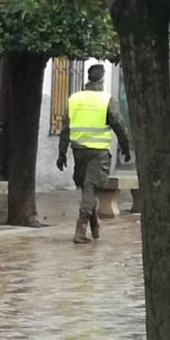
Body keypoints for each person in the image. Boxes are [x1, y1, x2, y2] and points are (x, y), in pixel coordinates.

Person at [57, 64, 130, 244]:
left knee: (87, 188)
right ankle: (80, 229)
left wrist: (62, 153)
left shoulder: (74, 99)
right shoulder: (106, 100)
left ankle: (94, 225)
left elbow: (65, 128)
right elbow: (119, 126)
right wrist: (126, 147)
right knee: (91, 189)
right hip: (98, 152)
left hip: (79, 150)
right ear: (103, 79)